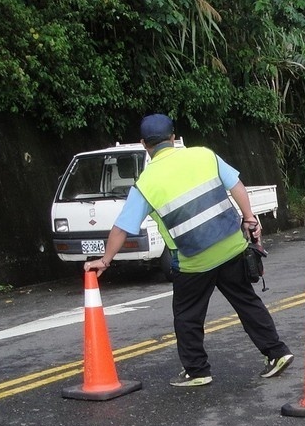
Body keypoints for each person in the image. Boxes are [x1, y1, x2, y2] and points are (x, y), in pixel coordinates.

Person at [83, 114, 293, 387]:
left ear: (145, 144)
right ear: (173, 138)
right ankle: (277, 352)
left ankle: (197, 371)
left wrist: (105, 260)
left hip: (194, 262)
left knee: (187, 316)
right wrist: (249, 218)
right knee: (246, 301)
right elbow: (237, 186)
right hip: (231, 247)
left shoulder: (146, 183)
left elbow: (123, 227)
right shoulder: (204, 155)